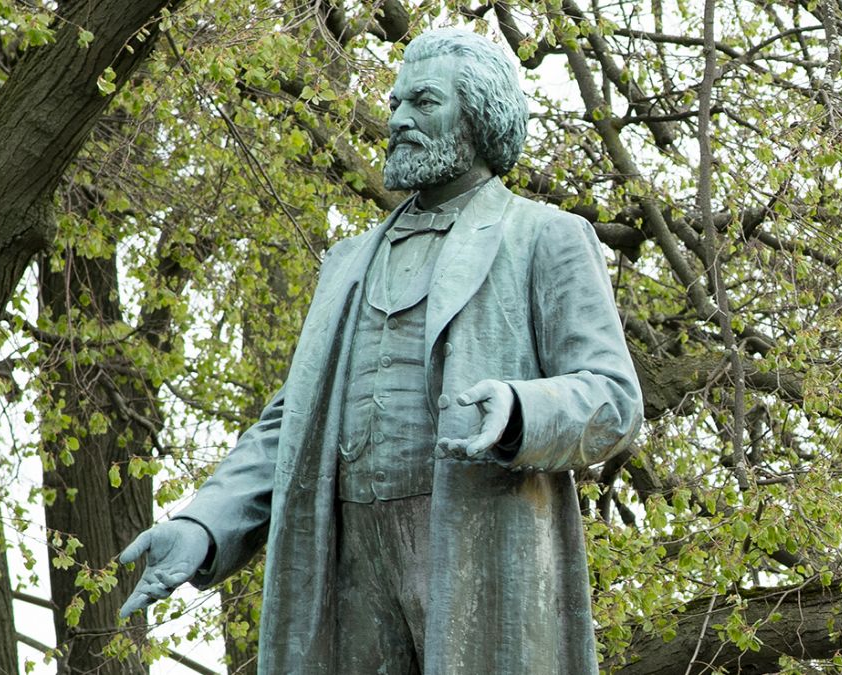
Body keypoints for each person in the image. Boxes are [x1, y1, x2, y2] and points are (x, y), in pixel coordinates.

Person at [118, 27, 643, 674]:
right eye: (394, 103)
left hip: (475, 546)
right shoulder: (346, 264)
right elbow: (294, 424)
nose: (396, 119)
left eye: (422, 102)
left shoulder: (545, 238)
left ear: (478, 116)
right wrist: (202, 525)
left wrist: (518, 410)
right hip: (349, 566)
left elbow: (614, 401)